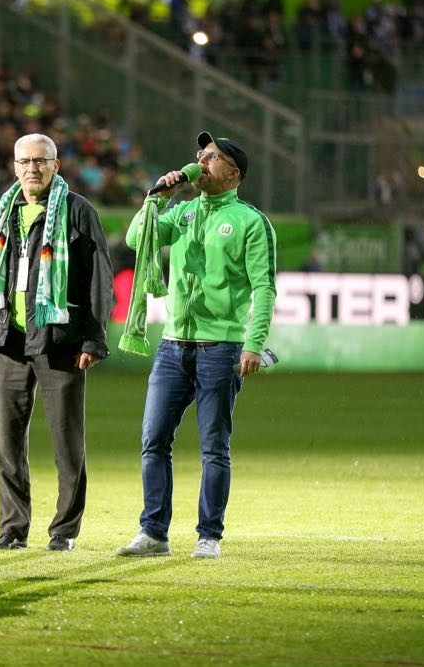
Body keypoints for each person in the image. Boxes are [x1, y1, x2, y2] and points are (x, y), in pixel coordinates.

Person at [115, 131, 277, 560]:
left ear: (233, 172)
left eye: (213, 157)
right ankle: (153, 533)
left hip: (221, 347)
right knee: (153, 440)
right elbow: (136, 240)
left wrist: (253, 344)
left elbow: (264, 287)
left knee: (213, 447)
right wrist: (156, 197)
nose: (202, 162)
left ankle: (209, 536)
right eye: (200, 154)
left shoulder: (249, 221)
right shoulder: (183, 211)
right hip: (172, 345)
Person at [0, 133, 113, 553]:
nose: (32, 168)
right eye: (24, 161)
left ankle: (64, 531)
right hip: (9, 340)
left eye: (40, 161)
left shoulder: (77, 211)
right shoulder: (5, 210)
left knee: (67, 442)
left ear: (55, 165)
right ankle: (13, 529)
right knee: (8, 443)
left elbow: (99, 280)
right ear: (14, 166)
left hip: (60, 342)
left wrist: (93, 338)